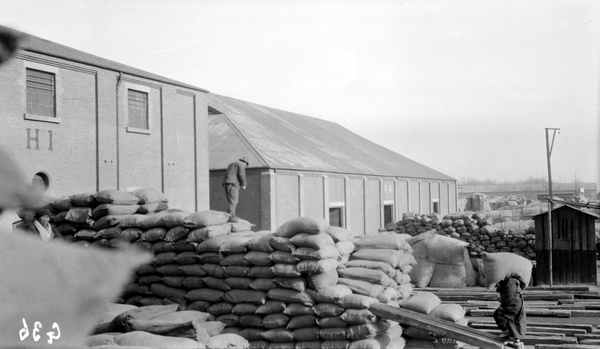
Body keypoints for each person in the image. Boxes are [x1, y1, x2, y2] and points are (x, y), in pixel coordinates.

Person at [222, 156, 249, 222]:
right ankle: (231, 216)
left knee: (231, 200)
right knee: (234, 200)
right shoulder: (241, 164)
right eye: (246, 165)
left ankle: (231, 214)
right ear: (245, 162)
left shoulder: (231, 164)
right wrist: (244, 184)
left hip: (227, 183)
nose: (245, 166)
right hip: (233, 184)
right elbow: (241, 174)